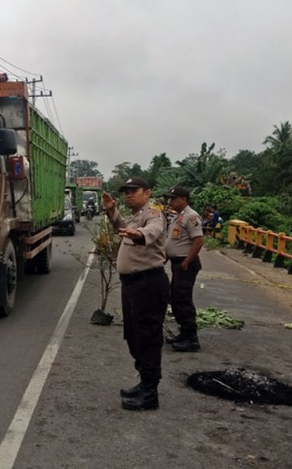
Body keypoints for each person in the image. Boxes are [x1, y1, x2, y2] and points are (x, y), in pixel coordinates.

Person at [102, 176, 169, 411]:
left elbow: (151, 230)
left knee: (148, 338)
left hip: (148, 283)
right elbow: (124, 227)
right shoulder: (135, 216)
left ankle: (150, 393)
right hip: (133, 285)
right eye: (125, 191)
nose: (128, 194)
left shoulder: (153, 214)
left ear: (147, 193)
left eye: (134, 190)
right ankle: (144, 381)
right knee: (134, 336)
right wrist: (112, 212)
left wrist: (138, 234)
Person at [163, 186, 204, 352]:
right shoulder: (178, 217)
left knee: (183, 300)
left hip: (185, 264)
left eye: (173, 199)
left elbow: (198, 241)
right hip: (177, 263)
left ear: (184, 199)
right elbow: (172, 242)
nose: (170, 202)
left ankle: (191, 339)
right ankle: (183, 333)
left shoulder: (191, 216)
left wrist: (187, 262)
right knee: (175, 297)